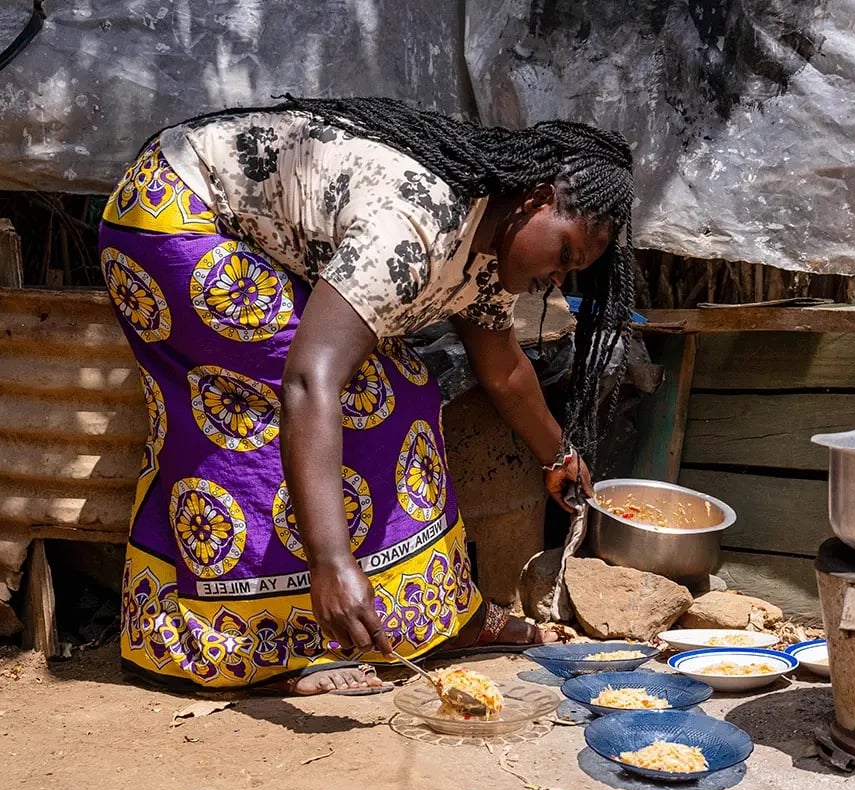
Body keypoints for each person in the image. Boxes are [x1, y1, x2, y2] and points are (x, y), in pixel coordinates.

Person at [98, 96, 635, 694]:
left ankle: (440, 615)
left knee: (407, 394)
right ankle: (252, 649)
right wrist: (331, 559)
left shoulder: (487, 251)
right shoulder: (418, 225)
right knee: (311, 397)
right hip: (172, 217)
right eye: (563, 254)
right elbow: (309, 379)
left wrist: (558, 456)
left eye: (571, 272)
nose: (558, 279)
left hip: (235, 233)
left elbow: (502, 369)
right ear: (534, 200)